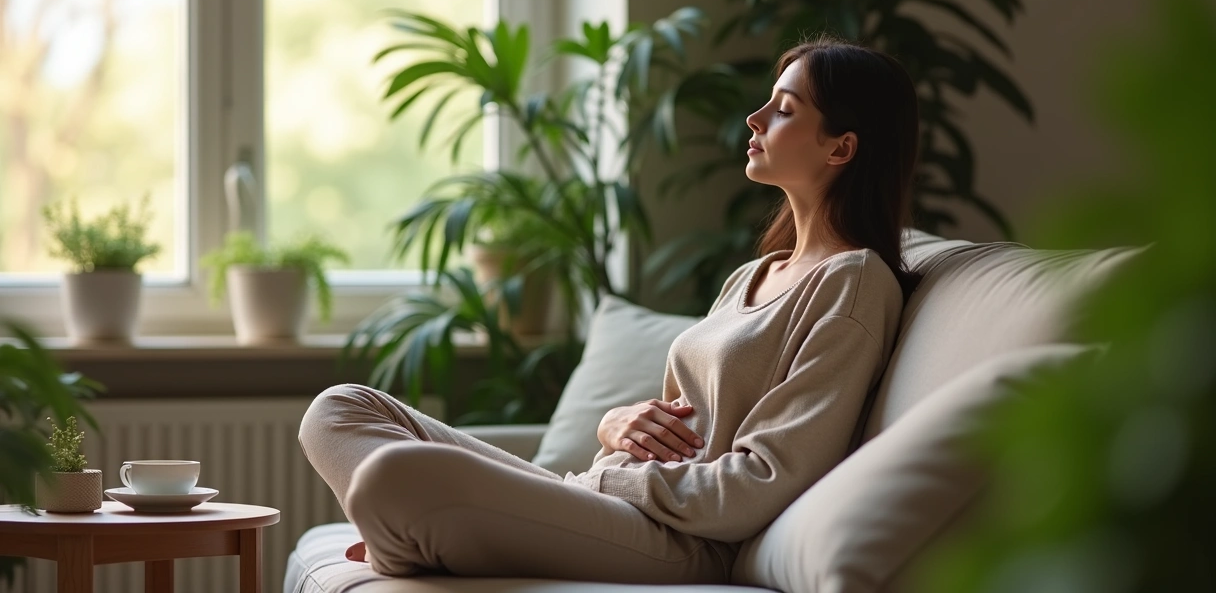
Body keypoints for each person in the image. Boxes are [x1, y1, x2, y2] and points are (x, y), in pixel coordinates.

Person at [298, 34, 921, 585]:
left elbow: (758, 483)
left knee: (394, 478)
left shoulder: (854, 285)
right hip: (614, 500)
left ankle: (411, 538)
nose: (754, 118)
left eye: (783, 110)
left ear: (840, 149)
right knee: (340, 408)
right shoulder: (751, 275)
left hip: (681, 539)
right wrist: (614, 427)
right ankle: (419, 539)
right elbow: (668, 425)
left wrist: (604, 479)